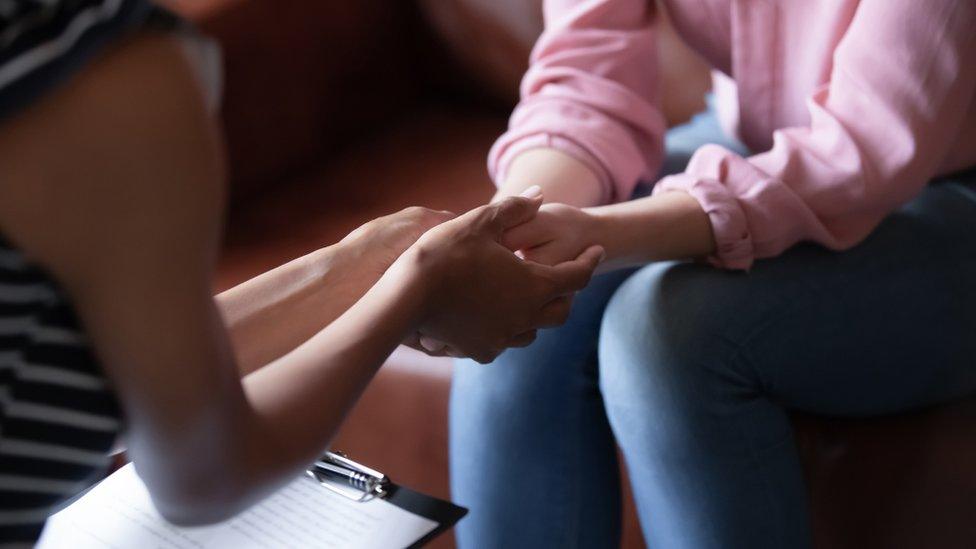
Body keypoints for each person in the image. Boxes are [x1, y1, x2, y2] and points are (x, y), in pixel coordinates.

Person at [0, 1, 604, 544]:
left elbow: (93, 371)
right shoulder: (110, 79)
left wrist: (353, 266)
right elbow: (204, 480)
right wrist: (414, 287)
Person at [448, 1, 976, 547]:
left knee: (667, 338)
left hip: (948, 179)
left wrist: (603, 237)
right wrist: (505, 239)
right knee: (518, 318)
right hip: (759, 137)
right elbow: (584, 80)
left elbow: (866, 145)